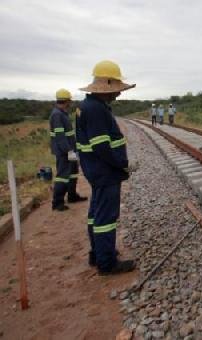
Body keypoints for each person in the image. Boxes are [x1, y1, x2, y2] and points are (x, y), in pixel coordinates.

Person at [76, 60, 136, 274]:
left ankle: (97, 253)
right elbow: (102, 146)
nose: (118, 94)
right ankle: (107, 263)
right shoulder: (96, 110)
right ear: (106, 86)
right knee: (106, 218)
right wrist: (123, 164)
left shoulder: (89, 106)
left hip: (97, 171)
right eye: (115, 90)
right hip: (105, 172)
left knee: (96, 213)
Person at [49, 88, 87, 211]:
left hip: (70, 150)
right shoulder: (57, 115)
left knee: (73, 172)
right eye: (69, 101)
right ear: (66, 101)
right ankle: (57, 202)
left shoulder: (62, 113)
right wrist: (69, 151)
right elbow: (60, 137)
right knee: (63, 175)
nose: (70, 103)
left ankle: (72, 196)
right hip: (64, 151)